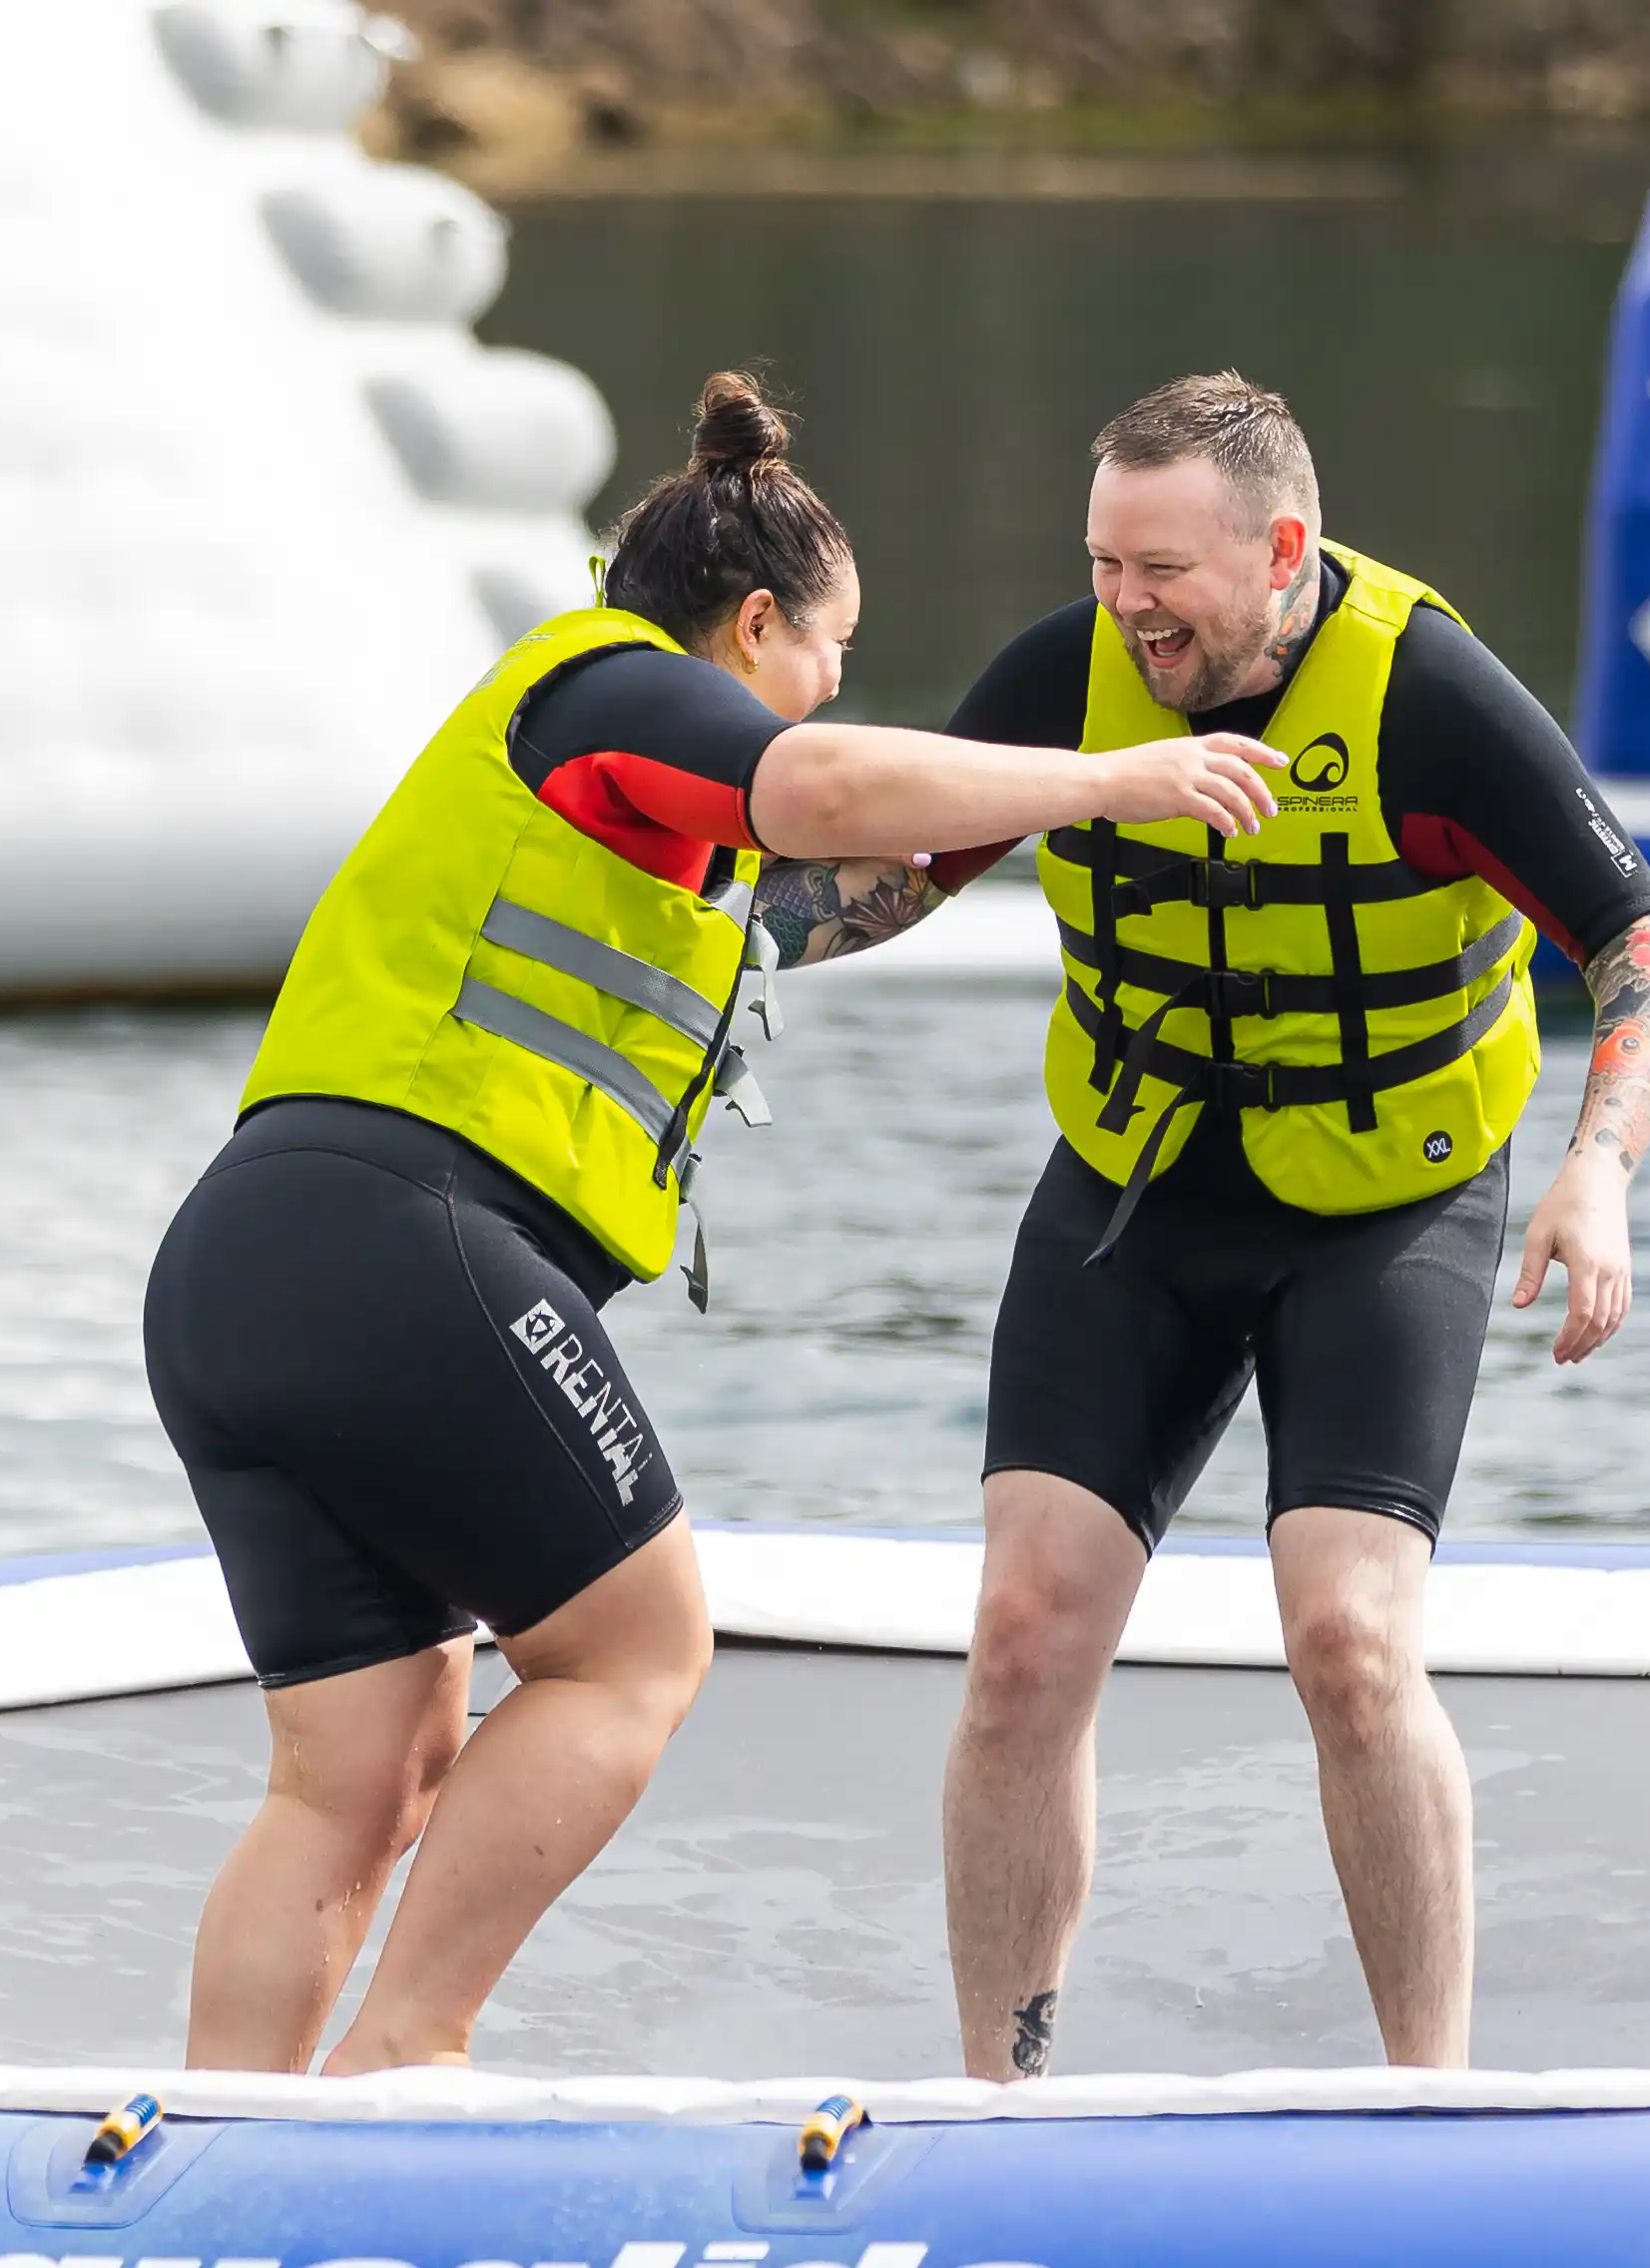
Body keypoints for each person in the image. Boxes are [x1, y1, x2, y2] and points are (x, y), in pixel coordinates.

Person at [142, 371, 1288, 2075]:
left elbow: (839, 882)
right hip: (401, 1247)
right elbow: (816, 788)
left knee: (357, 1775)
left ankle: (223, 2146)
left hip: (239, 1272)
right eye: (831, 651)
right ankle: (406, 2058)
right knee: (637, 1654)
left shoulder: (620, 803)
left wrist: (1023, 801)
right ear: (754, 627)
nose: (834, 688)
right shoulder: (610, 684)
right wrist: (1116, 779)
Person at [937, 372, 1650, 2077]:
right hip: (1135, 1185)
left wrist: (1598, 1168)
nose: (1126, 606)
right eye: (1104, 563)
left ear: (1282, 552)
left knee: (1348, 1642)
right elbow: (867, 874)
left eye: (1163, 572)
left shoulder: (1429, 698)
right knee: (1022, 1640)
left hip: (1388, 1201)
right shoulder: (1068, 681)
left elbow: (1645, 943)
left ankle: (1429, 2099)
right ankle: (998, 2099)